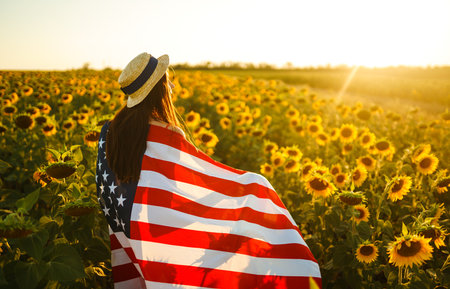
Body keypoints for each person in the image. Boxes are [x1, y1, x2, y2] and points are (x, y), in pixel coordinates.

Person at [95, 52, 321, 289]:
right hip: (159, 228)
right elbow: (181, 192)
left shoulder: (110, 133)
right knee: (257, 188)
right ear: (157, 90)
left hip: (130, 226)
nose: (172, 86)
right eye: (166, 81)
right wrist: (235, 199)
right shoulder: (167, 135)